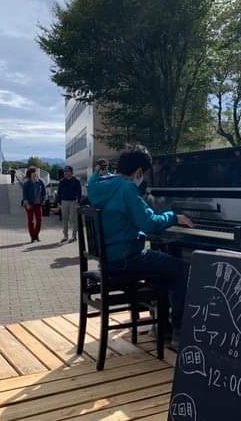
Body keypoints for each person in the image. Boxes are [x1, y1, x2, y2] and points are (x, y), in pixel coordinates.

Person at [87, 145, 195, 346]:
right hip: (127, 258)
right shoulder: (127, 189)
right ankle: (180, 332)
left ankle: (161, 327)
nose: (143, 179)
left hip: (108, 258)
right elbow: (149, 223)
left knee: (163, 267)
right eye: (144, 174)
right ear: (138, 172)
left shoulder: (97, 184)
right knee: (181, 269)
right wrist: (174, 217)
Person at [56, 166, 82, 243]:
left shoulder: (76, 181)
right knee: (65, 219)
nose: (66, 173)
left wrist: (79, 202)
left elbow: (79, 192)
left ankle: (74, 236)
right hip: (64, 201)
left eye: (67, 171)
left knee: (74, 219)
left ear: (71, 172)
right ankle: (65, 236)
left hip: (73, 201)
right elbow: (59, 192)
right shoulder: (62, 181)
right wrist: (58, 202)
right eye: (65, 171)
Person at [23, 167, 46, 243]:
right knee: (31, 221)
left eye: (36, 173)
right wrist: (27, 204)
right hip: (30, 204)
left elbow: (44, 192)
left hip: (38, 204)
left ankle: (36, 235)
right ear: (30, 174)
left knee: (39, 220)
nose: (35, 174)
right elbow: (25, 195)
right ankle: (32, 237)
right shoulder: (27, 183)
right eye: (33, 173)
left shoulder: (40, 182)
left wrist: (43, 200)